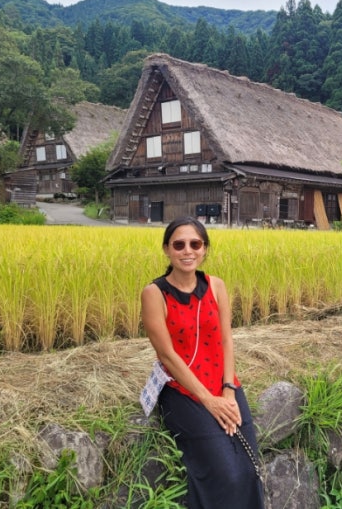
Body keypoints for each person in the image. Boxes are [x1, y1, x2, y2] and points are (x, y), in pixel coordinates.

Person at [141, 216, 264, 509]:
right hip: (183, 391)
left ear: (205, 249)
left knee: (249, 468)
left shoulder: (216, 286)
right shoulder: (154, 294)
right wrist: (208, 401)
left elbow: (226, 340)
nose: (187, 251)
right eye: (179, 244)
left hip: (222, 384)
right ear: (167, 250)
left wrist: (228, 390)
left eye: (195, 244)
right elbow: (167, 355)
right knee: (225, 472)